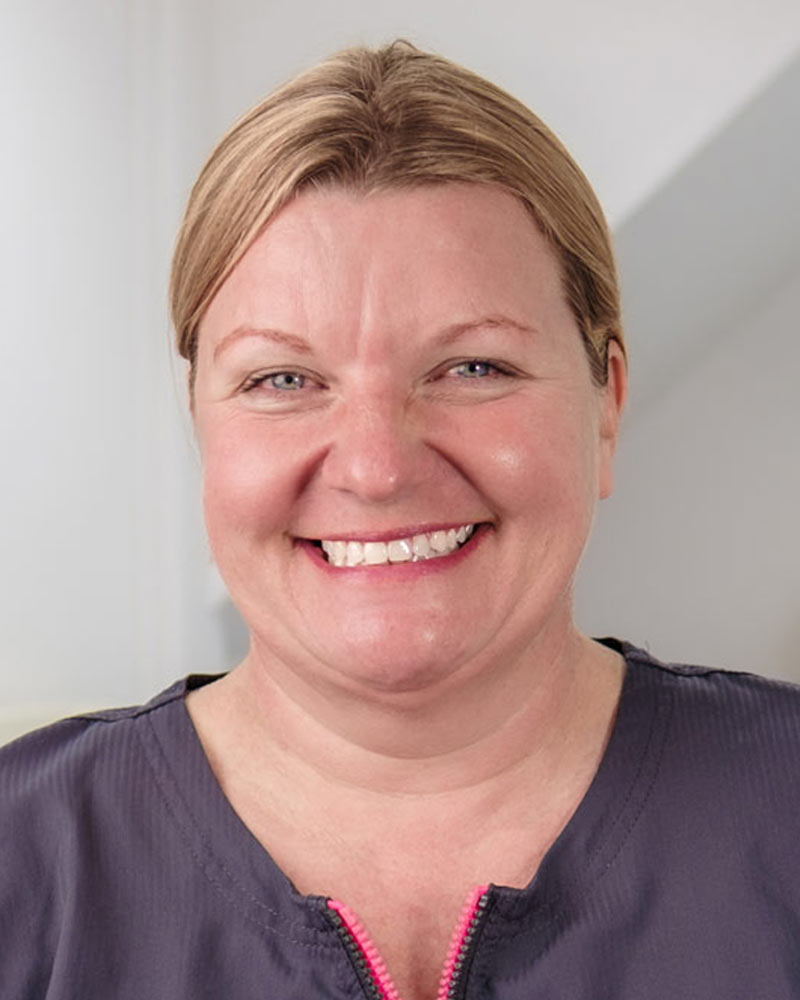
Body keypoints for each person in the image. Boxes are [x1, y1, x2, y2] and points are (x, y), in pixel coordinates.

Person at [2, 40, 800, 1000]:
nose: (377, 468)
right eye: (283, 379)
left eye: (474, 368)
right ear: (200, 425)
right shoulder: (22, 861)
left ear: (607, 405)